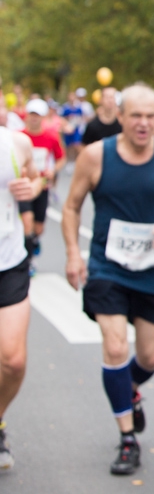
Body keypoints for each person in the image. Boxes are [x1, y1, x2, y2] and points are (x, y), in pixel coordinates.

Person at [61, 84, 154, 476]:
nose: (143, 123)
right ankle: (127, 439)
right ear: (120, 116)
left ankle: (127, 388)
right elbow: (71, 207)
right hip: (109, 268)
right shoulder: (95, 156)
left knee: (149, 358)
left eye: (150, 116)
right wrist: (73, 254)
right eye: (135, 115)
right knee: (116, 346)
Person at [0, 116, 47, 471]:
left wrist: (31, 187)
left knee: (13, 361)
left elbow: (37, 176)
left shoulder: (16, 144)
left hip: (8, 260)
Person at [21, 99, 65, 271]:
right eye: (31, 114)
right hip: (25, 186)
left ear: (43, 117)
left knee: (38, 228)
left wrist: (53, 171)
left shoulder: (50, 138)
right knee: (27, 222)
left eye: (37, 115)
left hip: (42, 185)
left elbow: (61, 158)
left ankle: (34, 241)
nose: (34, 118)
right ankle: (28, 260)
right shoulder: (19, 136)